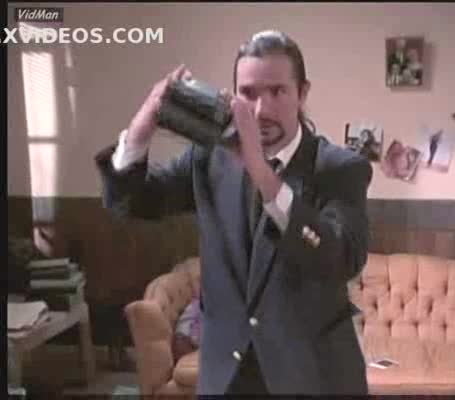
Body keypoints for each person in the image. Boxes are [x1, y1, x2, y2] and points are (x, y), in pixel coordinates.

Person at [95, 30, 372, 395]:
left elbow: (342, 258)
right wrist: (141, 129)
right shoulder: (209, 158)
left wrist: (261, 171)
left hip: (313, 377)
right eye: (249, 93)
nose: (261, 110)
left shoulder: (340, 168)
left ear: (302, 93)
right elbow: (130, 203)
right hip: (226, 378)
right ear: (234, 96)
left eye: (277, 91)